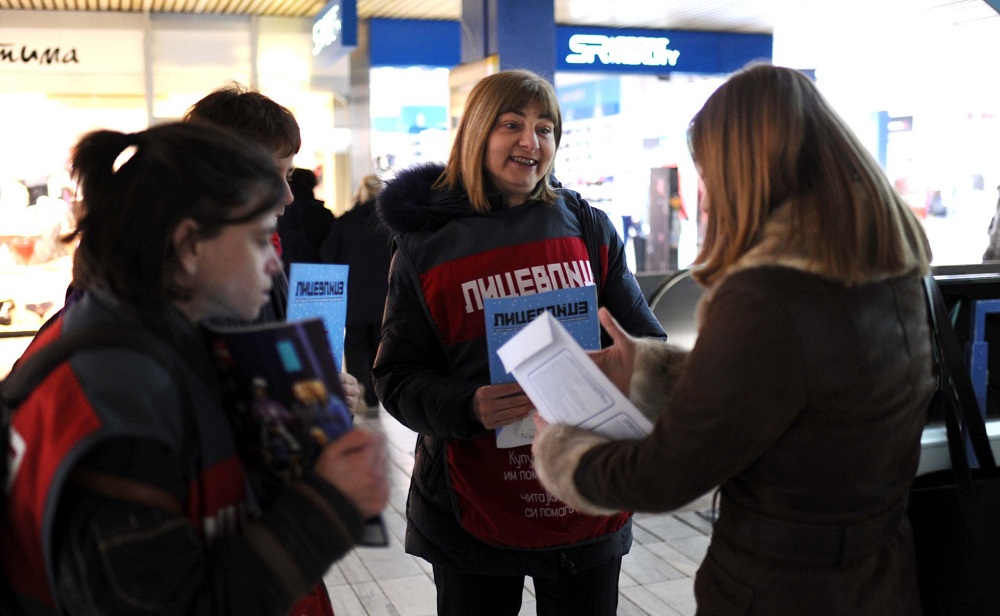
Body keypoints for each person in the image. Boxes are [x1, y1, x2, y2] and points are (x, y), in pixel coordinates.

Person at [530, 63, 935, 616]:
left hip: (780, 587)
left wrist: (559, 448)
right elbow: (805, 393)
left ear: (742, 171)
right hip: (877, 573)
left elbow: (664, 475)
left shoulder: (768, 294)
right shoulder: (893, 270)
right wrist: (652, 370)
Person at [0, 122, 389, 615]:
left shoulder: (156, 344)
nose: (273, 266)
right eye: (257, 240)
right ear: (188, 247)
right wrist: (325, 506)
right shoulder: (117, 393)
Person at [372, 69, 666, 615]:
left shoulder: (586, 225)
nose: (531, 142)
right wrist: (467, 405)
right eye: (512, 124)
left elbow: (646, 341)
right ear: (478, 132)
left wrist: (625, 368)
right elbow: (396, 377)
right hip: (471, 507)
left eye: (545, 128)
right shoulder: (425, 245)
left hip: (584, 495)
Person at [183, 83, 361, 412]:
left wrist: (321, 392)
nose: (287, 195)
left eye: (288, 174)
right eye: (269, 174)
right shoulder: (183, 281)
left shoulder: (264, 257)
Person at [320, 174, 389, 412]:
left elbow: (328, 256)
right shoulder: (390, 225)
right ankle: (377, 394)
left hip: (354, 300)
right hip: (385, 299)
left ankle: (362, 395)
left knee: (357, 347)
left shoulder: (345, 222)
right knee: (381, 347)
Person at [277, 167, 334, 274]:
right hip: (315, 279)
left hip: (284, 274)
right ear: (313, 185)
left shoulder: (280, 215)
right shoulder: (324, 216)